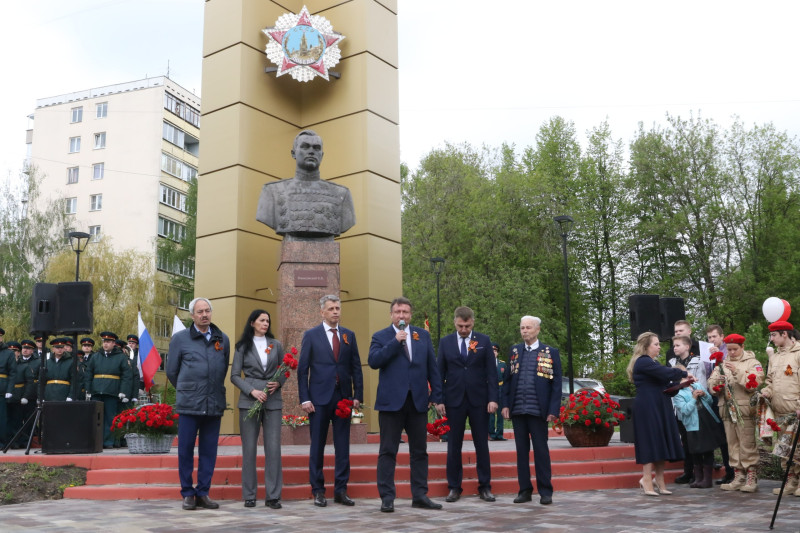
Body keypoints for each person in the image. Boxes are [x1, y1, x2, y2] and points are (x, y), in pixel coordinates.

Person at [368, 297, 443, 513]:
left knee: (419, 451)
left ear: (411, 315)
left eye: (406, 312)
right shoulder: (381, 336)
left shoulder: (423, 335)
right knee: (388, 451)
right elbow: (374, 361)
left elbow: (433, 368)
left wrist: (437, 396)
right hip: (391, 403)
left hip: (418, 401)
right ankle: (387, 497)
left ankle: (420, 495)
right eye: (398, 312)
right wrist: (395, 341)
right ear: (391, 315)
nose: (402, 316)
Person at [298, 295, 364, 507]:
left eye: (338, 308)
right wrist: (305, 398)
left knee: (342, 446)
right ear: (322, 312)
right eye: (331, 308)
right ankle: (318, 490)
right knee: (317, 445)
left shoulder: (348, 335)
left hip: (342, 398)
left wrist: (357, 395)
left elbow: (356, 367)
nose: (336, 311)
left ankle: (341, 490)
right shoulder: (311, 335)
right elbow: (302, 370)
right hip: (318, 400)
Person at [167, 297, 230, 511]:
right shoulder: (180, 339)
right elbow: (172, 372)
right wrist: (189, 389)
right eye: (200, 311)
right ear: (192, 315)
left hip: (213, 403)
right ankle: (187, 493)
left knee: (208, 451)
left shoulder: (223, 339)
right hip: (189, 404)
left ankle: (203, 492)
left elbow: (223, 369)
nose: (204, 315)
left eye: (207, 311)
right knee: (185, 450)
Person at [435, 306, 498, 503]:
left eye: (467, 326)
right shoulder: (445, 342)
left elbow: (491, 373)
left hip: (479, 401)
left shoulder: (484, 341)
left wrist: (493, 399)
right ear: (455, 322)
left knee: (482, 445)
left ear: (473, 322)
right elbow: (439, 373)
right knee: (454, 445)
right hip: (454, 401)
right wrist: (438, 400)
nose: (464, 329)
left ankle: (485, 487)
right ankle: (454, 487)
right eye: (461, 326)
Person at [501, 315, 562, 505]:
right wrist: (505, 404)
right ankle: (524, 490)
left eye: (528, 327)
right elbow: (507, 382)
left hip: (539, 411)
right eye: (522, 328)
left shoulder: (550, 352)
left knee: (541, 452)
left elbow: (556, 384)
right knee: (521, 452)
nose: (524, 331)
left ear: (537, 330)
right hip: (518, 409)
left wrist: (553, 409)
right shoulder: (515, 351)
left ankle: (545, 491)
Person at [230, 309, 286, 509]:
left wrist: (278, 383)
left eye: (268, 321)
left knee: (273, 449)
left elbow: (284, 369)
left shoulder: (276, 344)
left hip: (272, 401)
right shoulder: (242, 346)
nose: (266, 324)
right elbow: (235, 375)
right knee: (250, 449)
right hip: (249, 401)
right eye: (262, 320)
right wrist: (251, 391)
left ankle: (273, 496)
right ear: (252, 322)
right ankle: (250, 495)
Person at [256, 130, 355, 241]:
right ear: (293, 153)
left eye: (316, 148)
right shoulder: (272, 191)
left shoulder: (341, 194)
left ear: (321, 155)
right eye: (305, 147)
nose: (311, 151)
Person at [627, 331, 687, 496]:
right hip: (647, 407)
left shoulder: (653, 363)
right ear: (646, 346)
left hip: (660, 405)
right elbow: (667, 373)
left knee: (662, 442)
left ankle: (659, 480)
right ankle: (646, 478)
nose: (659, 347)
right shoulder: (643, 362)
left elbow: (665, 384)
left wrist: (680, 385)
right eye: (656, 344)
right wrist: (683, 373)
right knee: (650, 442)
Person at [707, 333, 763, 492]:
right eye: (729, 350)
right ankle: (738, 476)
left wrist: (737, 371)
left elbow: (755, 383)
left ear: (742, 347)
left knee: (747, 443)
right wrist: (717, 383)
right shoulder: (722, 364)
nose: (731, 353)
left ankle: (751, 477)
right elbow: (711, 383)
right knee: (732, 444)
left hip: (745, 410)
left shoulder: (752, 362)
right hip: (726, 410)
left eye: (734, 349)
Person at [760, 320, 800, 495]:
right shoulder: (774, 357)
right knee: (784, 449)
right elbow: (770, 381)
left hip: (796, 412)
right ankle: (790, 481)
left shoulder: (798, 354)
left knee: (798, 449)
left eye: (774, 335)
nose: (771, 339)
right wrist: (766, 391)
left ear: (785, 334)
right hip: (780, 413)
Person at [671, 365, 726, 489]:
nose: (687, 378)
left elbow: (710, 401)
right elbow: (685, 410)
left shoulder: (697, 385)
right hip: (693, 424)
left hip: (706, 421)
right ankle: (698, 478)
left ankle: (707, 480)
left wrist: (704, 394)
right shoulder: (677, 393)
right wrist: (693, 398)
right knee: (695, 451)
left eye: (687, 374)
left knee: (707, 449)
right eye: (684, 376)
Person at [86, 332, 132, 448]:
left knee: (109, 418)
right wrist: (88, 389)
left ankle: (108, 442)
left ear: (113, 343)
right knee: (97, 418)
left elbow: (126, 375)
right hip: (96, 391)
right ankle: (97, 441)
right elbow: (89, 374)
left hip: (112, 391)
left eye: (108, 342)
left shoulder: (121, 357)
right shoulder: (95, 356)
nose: (105, 344)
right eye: (104, 342)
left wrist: (123, 391)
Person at [705, 324, 735, 485]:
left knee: (730, 434)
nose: (712, 340)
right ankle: (728, 471)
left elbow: (728, 368)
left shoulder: (727, 351)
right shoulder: (707, 351)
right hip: (714, 395)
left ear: (722, 336)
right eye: (709, 337)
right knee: (721, 435)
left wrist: (718, 356)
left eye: (714, 337)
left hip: (729, 396)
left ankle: (736, 471)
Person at [6, 340, 37, 448]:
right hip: (6, 395)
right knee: (8, 420)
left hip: (19, 395)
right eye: (10, 350)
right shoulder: (5, 364)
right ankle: (9, 440)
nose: (12, 352)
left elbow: (30, 383)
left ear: (18, 353)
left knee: (18, 420)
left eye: (15, 350)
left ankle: (20, 441)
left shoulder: (24, 366)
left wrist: (25, 396)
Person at [0, 341, 18, 447]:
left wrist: (9, 390)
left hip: (1, 388)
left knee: (1, 418)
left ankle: (2, 442)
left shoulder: (8, 353)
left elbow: (12, 373)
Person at [489, 343, 507, 441]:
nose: (493, 353)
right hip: (490, 389)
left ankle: (499, 434)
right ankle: (491, 434)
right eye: (491, 351)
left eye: (495, 351)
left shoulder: (502, 364)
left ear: (497, 353)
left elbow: (506, 379)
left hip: (500, 389)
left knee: (501, 413)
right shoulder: (485, 363)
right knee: (491, 413)